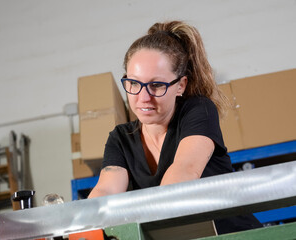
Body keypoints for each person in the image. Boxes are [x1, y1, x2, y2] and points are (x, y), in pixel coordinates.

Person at [88, 20, 262, 234]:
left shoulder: (198, 111)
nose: (143, 98)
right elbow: (106, 190)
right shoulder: (120, 139)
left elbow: (184, 171)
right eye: (133, 83)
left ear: (181, 85)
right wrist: (85, 222)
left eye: (157, 85)